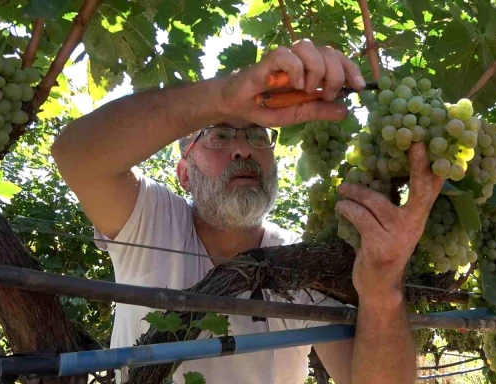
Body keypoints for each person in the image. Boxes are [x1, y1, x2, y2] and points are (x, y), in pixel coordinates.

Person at [51, 40, 443, 384]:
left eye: (257, 135)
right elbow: (74, 154)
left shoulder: (300, 263)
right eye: (219, 135)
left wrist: (382, 288)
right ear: (184, 175)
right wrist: (222, 95)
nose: (243, 149)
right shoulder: (151, 220)